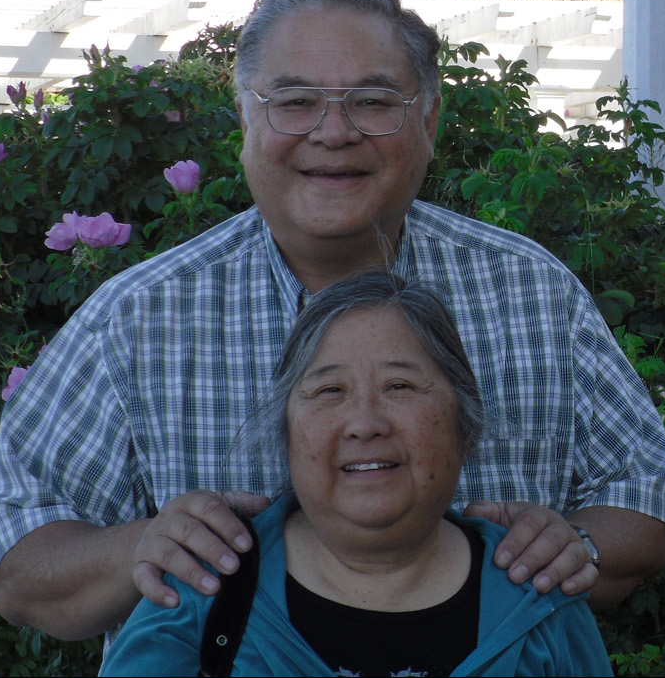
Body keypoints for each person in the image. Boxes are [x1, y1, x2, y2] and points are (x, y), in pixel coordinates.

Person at [0, 0, 665, 642]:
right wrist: (144, 546)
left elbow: (638, 499)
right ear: (247, 114)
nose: (333, 131)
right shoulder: (136, 318)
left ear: (428, 117)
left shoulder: (533, 295)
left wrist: (577, 543)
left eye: (373, 102)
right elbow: (18, 567)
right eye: (295, 100)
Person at [100, 272, 613, 677]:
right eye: (329, 392)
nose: (365, 424)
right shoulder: (201, 592)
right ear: (287, 434)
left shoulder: (540, 600)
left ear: (465, 427)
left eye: (401, 386)